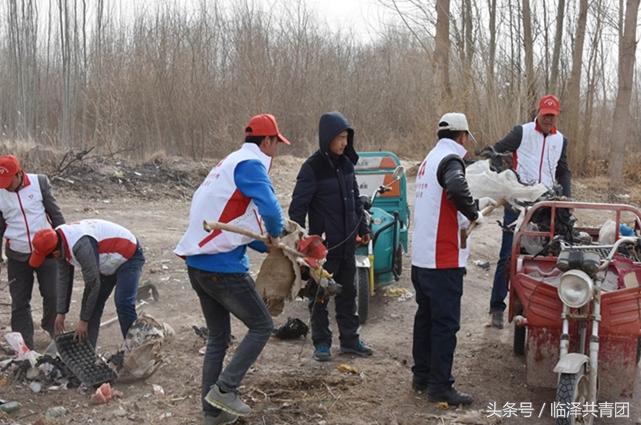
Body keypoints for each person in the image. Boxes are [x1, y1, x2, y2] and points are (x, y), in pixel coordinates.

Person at [174, 113, 288, 425]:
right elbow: (270, 208)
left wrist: (267, 245)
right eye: (276, 143)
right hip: (221, 268)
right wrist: (277, 233)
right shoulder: (252, 164)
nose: (276, 149)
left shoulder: (227, 165)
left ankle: (211, 412)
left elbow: (236, 225)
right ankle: (225, 389)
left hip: (197, 264)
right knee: (263, 325)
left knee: (218, 337)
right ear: (266, 141)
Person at [288, 111, 372, 362]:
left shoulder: (347, 164)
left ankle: (350, 340)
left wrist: (363, 228)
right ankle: (322, 343)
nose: (344, 142)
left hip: (347, 243)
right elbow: (297, 208)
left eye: (347, 137)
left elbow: (355, 200)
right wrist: (301, 243)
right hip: (323, 248)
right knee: (320, 295)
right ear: (327, 138)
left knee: (348, 294)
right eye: (339, 138)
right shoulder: (312, 168)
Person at [411, 112, 481, 406]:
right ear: (462, 137)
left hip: (422, 259)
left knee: (425, 319)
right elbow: (455, 187)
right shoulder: (452, 160)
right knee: (445, 324)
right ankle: (440, 387)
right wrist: (474, 213)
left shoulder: (429, 159)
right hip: (443, 259)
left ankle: (422, 376)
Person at [488, 94, 571, 329]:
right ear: (539, 111)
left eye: (552, 116)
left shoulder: (561, 140)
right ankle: (497, 306)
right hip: (517, 200)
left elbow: (563, 170)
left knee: (545, 253)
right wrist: (503, 174)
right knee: (509, 253)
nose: (548, 119)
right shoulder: (521, 132)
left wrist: (567, 197)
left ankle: (540, 305)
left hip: (545, 204)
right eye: (545, 114)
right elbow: (497, 150)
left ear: (557, 117)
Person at [29, 219, 145, 349]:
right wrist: (61, 312)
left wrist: (83, 321)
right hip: (107, 261)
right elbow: (64, 279)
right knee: (93, 306)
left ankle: (136, 349)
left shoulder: (80, 245)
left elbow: (92, 284)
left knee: (123, 304)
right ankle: (88, 352)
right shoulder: (59, 241)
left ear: (55, 253)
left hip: (128, 255)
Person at [0, 155, 65, 349]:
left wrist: (65, 244)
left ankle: (51, 328)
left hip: (46, 250)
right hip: (17, 255)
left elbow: (55, 214)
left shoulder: (40, 182)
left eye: (7, 181)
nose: (5, 186)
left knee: (53, 294)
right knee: (20, 301)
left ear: (19, 174)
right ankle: (25, 347)